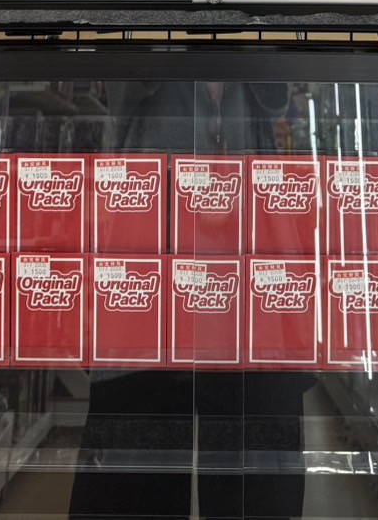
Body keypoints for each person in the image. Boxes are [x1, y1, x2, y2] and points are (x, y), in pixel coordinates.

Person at [68, 79, 309, 520]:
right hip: (151, 224)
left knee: (252, 468)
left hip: (246, 241)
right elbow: (121, 84)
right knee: (137, 456)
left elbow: (277, 91)